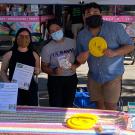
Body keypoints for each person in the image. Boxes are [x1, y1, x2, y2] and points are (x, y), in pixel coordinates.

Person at [76, 2, 134, 110]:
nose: (92, 14)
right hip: (94, 77)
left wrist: (114, 53)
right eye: (88, 13)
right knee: (99, 106)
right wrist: (80, 59)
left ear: (101, 14)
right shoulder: (82, 35)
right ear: (84, 16)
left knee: (111, 107)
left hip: (113, 76)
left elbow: (130, 46)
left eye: (95, 12)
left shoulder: (115, 28)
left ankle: (111, 126)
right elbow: (80, 59)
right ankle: (102, 127)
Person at [41, 19, 78, 107]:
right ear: (49, 34)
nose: (56, 32)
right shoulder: (46, 48)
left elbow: (79, 59)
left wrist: (76, 65)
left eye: (57, 29)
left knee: (69, 105)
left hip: (71, 78)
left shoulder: (73, 43)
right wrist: (54, 71)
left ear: (62, 29)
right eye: (52, 31)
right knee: (55, 106)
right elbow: (43, 67)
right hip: (55, 80)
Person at [0, 28, 40, 106]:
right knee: (15, 113)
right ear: (16, 38)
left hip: (30, 88)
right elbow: (3, 71)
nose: (24, 39)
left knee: (31, 112)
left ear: (30, 39)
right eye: (21, 36)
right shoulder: (9, 54)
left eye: (26, 36)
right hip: (14, 88)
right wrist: (8, 83)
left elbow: (38, 70)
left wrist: (37, 71)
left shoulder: (34, 54)